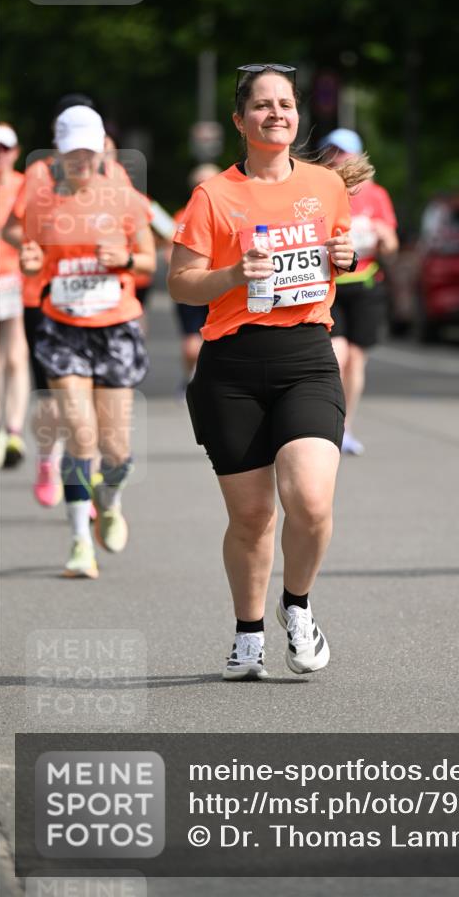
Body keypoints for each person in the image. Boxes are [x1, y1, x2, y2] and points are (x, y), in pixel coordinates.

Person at [168, 63, 371, 679]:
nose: (276, 113)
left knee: (309, 501)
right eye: (262, 105)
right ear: (241, 119)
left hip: (306, 356)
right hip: (231, 366)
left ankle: (298, 605)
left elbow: (339, 260)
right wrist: (233, 275)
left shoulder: (325, 185)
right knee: (252, 517)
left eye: (285, 104)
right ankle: (248, 634)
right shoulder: (215, 195)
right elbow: (180, 282)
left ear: (297, 115)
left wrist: (347, 257)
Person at [19, 105, 156, 578]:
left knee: (116, 453)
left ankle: (110, 499)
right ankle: (80, 542)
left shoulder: (124, 198)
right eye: (72, 151)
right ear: (58, 151)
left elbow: (148, 262)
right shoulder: (40, 201)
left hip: (115, 328)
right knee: (80, 436)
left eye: (88, 150)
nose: (81, 159)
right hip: (63, 328)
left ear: (101, 150)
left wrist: (124, 259)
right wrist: (33, 264)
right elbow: (32, 258)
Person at [2, 94, 99, 506]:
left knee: (91, 395)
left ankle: (86, 477)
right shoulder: (39, 174)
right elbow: (12, 230)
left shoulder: (109, 174)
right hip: (42, 300)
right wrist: (36, 249)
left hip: (99, 302)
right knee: (53, 393)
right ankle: (48, 456)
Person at [319, 129, 399, 456]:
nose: (340, 158)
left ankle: (346, 428)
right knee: (336, 357)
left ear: (358, 156)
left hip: (365, 285)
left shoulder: (376, 195)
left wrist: (382, 235)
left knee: (355, 361)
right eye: (333, 152)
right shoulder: (318, 192)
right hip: (331, 286)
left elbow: (391, 248)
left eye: (346, 152)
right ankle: (328, 424)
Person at [0, 124, 28, 469]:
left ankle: (14, 428)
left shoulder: (24, 187)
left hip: (16, 278)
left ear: (15, 152)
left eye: (4, 149)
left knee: (17, 355)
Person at [172, 164, 221, 391]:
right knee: (192, 343)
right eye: (200, 184)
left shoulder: (231, 211)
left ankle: (203, 380)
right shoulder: (184, 215)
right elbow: (172, 256)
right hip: (195, 284)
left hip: (223, 287)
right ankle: (191, 377)